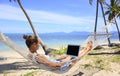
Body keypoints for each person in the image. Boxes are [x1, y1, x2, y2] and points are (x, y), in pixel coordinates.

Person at [23, 35, 93, 68]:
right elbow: (56, 65)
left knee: (70, 53)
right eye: (38, 43)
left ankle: (85, 49)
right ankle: (87, 49)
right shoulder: (38, 57)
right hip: (61, 66)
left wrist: (60, 58)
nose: (39, 45)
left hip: (57, 61)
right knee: (74, 57)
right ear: (34, 44)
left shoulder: (31, 55)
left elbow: (49, 61)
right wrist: (67, 59)